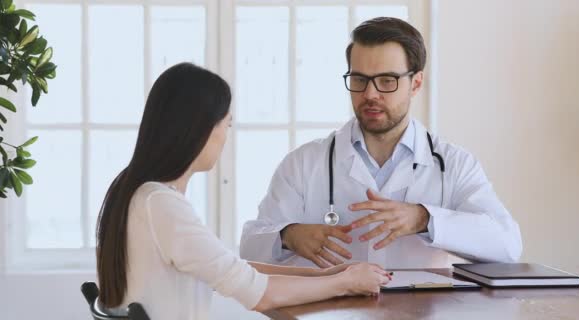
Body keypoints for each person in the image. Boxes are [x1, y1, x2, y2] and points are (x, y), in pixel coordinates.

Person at [95, 63, 390, 319]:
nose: (226, 137)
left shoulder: (136, 192)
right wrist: (346, 283)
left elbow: (233, 268)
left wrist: (323, 275)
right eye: (227, 124)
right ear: (198, 129)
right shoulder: (161, 205)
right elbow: (260, 294)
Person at [240, 17, 522, 269]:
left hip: (421, 312)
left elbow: (508, 245)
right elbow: (249, 247)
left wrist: (424, 219)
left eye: (387, 81)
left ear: (416, 83)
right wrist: (288, 236)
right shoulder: (304, 163)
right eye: (360, 79)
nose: (370, 94)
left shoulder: (454, 164)